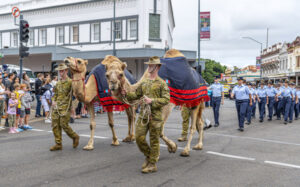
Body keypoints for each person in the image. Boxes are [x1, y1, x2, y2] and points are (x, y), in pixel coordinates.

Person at [122, 56, 170, 173]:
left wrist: (152, 101)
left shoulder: (162, 84)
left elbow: (166, 99)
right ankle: (149, 156)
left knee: (154, 140)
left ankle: (152, 164)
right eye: (148, 65)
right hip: (143, 116)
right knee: (139, 138)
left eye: (151, 65)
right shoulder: (144, 82)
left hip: (155, 117)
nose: (148, 67)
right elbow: (136, 95)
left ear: (157, 67)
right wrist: (126, 94)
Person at [50, 63, 80, 151]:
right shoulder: (58, 83)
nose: (60, 72)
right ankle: (58, 144)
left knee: (64, 125)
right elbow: (55, 94)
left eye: (62, 71)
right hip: (57, 107)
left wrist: (72, 108)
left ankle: (75, 136)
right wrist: (53, 101)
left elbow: (75, 93)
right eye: (59, 71)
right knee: (55, 125)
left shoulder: (70, 82)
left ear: (66, 71)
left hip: (65, 107)